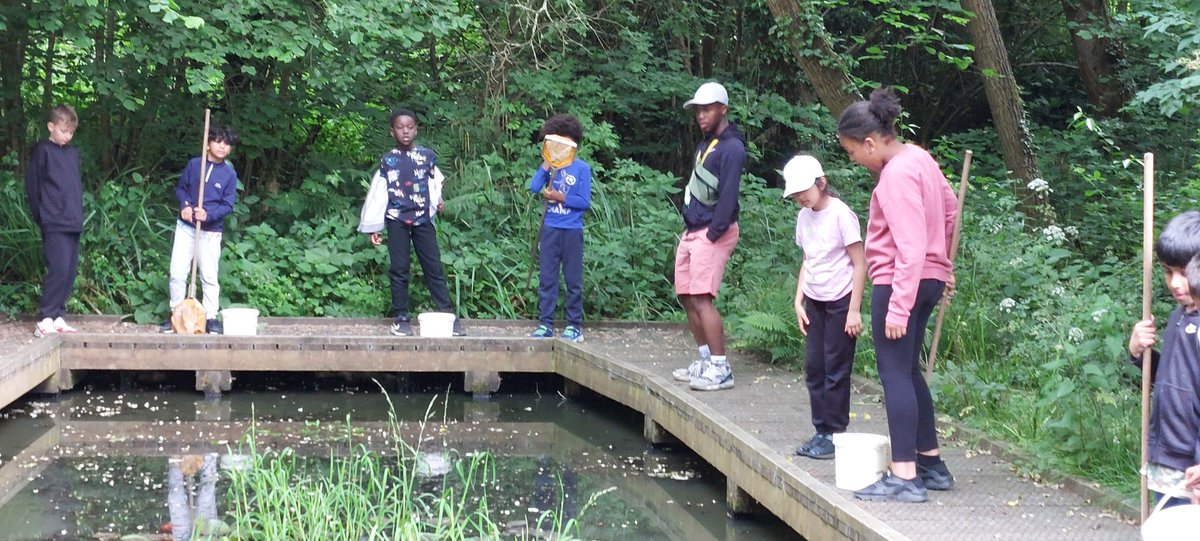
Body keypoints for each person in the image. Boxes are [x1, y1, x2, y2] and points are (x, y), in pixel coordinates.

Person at [837, 87, 958, 502]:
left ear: (870, 142)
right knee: (908, 371)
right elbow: (950, 210)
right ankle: (931, 464)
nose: (854, 160)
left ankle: (905, 475)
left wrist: (898, 307)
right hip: (928, 279)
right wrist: (943, 264)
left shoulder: (894, 176)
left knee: (894, 375)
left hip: (900, 283)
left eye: (853, 152)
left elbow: (909, 245)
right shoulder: (921, 158)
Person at [782, 155, 866, 460]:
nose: (801, 197)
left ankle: (834, 433)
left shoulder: (841, 214)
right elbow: (808, 260)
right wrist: (798, 300)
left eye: (804, 190)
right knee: (815, 368)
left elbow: (860, 264)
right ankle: (821, 431)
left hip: (841, 300)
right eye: (795, 194)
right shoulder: (803, 217)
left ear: (821, 183)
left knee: (836, 369)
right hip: (814, 300)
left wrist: (854, 310)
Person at [670, 82, 746, 392]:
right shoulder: (706, 144)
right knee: (687, 296)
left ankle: (720, 368)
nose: (701, 115)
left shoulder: (732, 148)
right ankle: (704, 360)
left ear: (723, 109)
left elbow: (728, 195)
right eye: (698, 110)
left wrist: (714, 232)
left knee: (702, 298)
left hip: (712, 232)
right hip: (693, 230)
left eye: (707, 109)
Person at [363, 108, 465, 337]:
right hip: (396, 219)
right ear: (392, 132)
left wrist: (438, 201)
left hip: (422, 219)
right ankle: (401, 318)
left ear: (416, 130)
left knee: (433, 267)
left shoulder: (427, 156)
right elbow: (379, 192)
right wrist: (374, 226)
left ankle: (448, 315)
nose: (405, 131)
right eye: (400, 128)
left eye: (409, 127)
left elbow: (434, 182)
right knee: (399, 268)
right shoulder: (388, 160)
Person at [1128, 211, 1200, 509]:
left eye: (1184, 272)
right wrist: (1139, 354)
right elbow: (1174, 380)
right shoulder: (1178, 318)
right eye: (1169, 272)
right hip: (1168, 462)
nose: (1175, 283)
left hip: (1194, 470)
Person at [162, 126, 240, 335]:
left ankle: (210, 317)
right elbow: (181, 189)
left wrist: (208, 215)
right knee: (178, 272)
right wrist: (186, 206)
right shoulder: (195, 165)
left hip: (211, 231)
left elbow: (228, 205)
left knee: (209, 276)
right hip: (186, 227)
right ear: (208, 143)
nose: (222, 146)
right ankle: (176, 315)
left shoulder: (229, 174)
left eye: (227, 144)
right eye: (218, 141)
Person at [528, 114, 591, 342]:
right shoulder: (550, 166)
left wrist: (559, 196)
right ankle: (545, 323)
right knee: (547, 278)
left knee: (573, 280)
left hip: (572, 230)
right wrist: (545, 166)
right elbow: (534, 187)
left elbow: (584, 202)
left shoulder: (582, 168)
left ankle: (574, 325)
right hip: (550, 228)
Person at [25, 104, 83, 337]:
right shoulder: (42, 151)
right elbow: (33, 185)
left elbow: (75, 187)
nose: (67, 136)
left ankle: (58, 314)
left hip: (73, 220)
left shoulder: (72, 153)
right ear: (51, 127)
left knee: (69, 270)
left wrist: (78, 214)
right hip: (53, 220)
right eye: (63, 131)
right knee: (58, 268)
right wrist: (41, 216)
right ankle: (45, 318)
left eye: (71, 132)